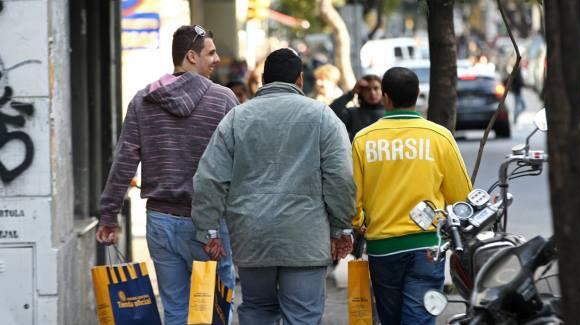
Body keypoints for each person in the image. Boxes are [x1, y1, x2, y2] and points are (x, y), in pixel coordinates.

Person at [192, 48, 355, 324]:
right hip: (305, 239)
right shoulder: (323, 117)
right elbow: (340, 176)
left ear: (264, 79)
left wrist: (208, 230)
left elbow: (209, 177)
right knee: (302, 315)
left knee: (257, 310)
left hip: (252, 237)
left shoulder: (236, 118)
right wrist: (341, 228)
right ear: (300, 80)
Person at [95, 25, 238, 325]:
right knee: (216, 309)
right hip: (209, 223)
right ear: (190, 56)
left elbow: (124, 161)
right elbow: (241, 163)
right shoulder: (223, 100)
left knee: (175, 309)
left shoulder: (143, 101)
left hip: (161, 221)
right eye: (210, 53)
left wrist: (109, 215)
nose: (217, 59)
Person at [352, 67, 472, 324]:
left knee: (391, 319)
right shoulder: (439, 137)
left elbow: (353, 201)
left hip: (382, 248)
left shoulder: (364, 140)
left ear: (385, 97)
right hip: (426, 246)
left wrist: (359, 223)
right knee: (419, 317)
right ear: (418, 94)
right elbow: (462, 197)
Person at [330, 74, 384, 142]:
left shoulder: (390, 113)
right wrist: (351, 93)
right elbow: (329, 114)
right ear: (361, 91)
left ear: (382, 90)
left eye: (376, 88)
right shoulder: (352, 113)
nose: (372, 93)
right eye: (367, 89)